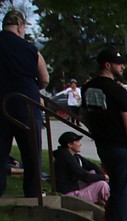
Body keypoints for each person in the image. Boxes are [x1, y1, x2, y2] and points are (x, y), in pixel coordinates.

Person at [81, 49, 127, 221]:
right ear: (107, 65)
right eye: (118, 63)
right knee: (124, 190)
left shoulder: (88, 88)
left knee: (117, 187)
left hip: (104, 145)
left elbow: (84, 116)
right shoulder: (118, 90)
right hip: (121, 146)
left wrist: (97, 131)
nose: (122, 66)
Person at [0, 9, 49, 199]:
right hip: (26, 104)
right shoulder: (30, 49)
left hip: (2, 103)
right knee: (31, 154)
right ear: (20, 27)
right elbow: (44, 78)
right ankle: (33, 192)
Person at [52, 131, 109, 205]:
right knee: (101, 184)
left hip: (75, 187)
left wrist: (103, 176)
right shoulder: (66, 158)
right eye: (78, 141)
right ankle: (114, 202)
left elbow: (92, 165)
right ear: (70, 145)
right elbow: (85, 176)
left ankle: (102, 197)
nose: (80, 144)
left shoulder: (73, 155)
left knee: (93, 172)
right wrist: (103, 177)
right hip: (68, 196)